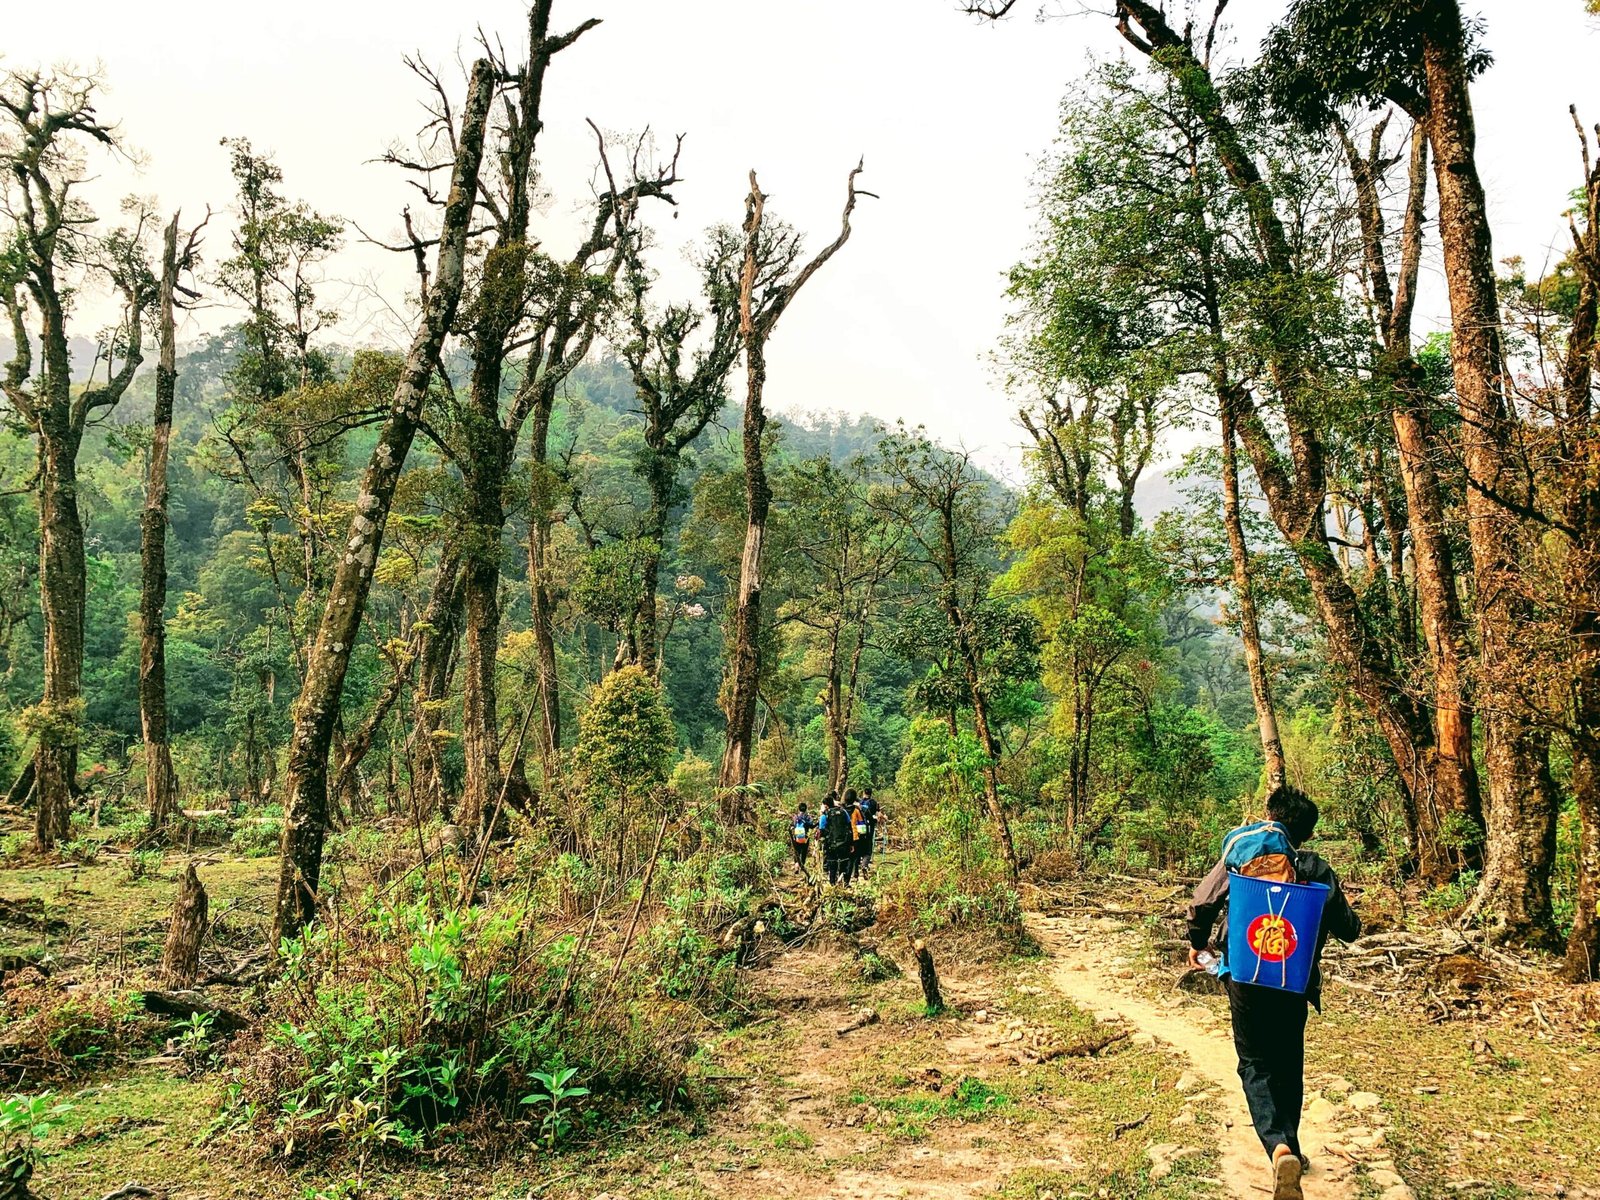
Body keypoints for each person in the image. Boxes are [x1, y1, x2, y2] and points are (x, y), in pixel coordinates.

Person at [1186, 784, 1361, 1200]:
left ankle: (1277, 1146)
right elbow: (1349, 930)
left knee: (1253, 1062)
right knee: (1288, 1062)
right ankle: (1293, 1148)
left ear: (1269, 815)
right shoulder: (1316, 868)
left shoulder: (1240, 856)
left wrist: (1198, 943)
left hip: (1246, 977)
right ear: (1307, 833)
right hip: (1294, 981)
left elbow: (1202, 902)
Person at [822, 792, 852, 886]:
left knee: (832, 864)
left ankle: (832, 883)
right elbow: (849, 825)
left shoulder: (825, 815)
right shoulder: (843, 812)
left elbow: (822, 829)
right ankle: (844, 883)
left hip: (831, 844)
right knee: (844, 863)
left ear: (826, 806)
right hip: (844, 843)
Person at [855, 787, 879, 877]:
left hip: (858, 830)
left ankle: (855, 870)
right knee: (868, 850)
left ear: (864, 793)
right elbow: (876, 815)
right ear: (871, 793)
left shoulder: (859, 804)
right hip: (869, 829)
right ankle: (864, 865)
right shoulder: (873, 803)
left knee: (857, 849)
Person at [789, 802, 815, 875]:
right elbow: (811, 826)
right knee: (804, 852)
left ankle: (796, 865)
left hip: (796, 837)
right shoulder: (807, 817)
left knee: (796, 851)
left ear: (798, 808)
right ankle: (802, 866)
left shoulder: (796, 817)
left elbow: (792, 825)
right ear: (806, 809)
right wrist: (817, 824)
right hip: (805, 838)